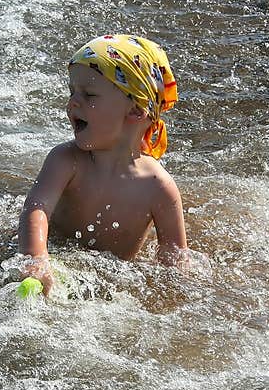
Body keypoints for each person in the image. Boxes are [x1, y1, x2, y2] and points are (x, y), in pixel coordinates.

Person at [17, 34, 188, 295]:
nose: (73, 102)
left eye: (89, 94)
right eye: (72, 92)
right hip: (55, 255)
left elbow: (174, 260)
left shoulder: (158, 187)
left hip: (111, 283)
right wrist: (36, 260)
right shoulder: (66, 160)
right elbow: (36, 209)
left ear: (135, 111)